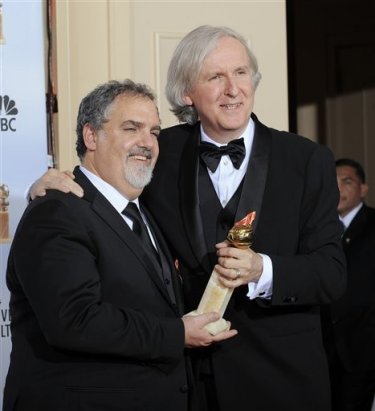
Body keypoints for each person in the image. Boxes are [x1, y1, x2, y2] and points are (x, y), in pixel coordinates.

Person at [28, 26, 346, 411]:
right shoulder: (160, 151)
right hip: (183, 382)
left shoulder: (306, 160)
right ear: (186, 93)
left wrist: (262, 269)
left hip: (281, 381)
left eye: (241, 73)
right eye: (215, 77)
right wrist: (48, 183)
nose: (233, 89)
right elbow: (103, 176)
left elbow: (331, 274)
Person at [3, 79, 237, 411]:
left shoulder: (147, 210)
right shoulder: (57, 212)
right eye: (132, 128)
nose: (148, 143)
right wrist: (176, 334)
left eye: (154, 132)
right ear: (91, 136)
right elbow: (75, 321)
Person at [321, 158, 375, 411]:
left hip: (363, 346)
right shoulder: (319, 228)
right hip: (323, 347)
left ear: (363, 189)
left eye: (347, 181)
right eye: (333, 183)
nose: (338, 189)